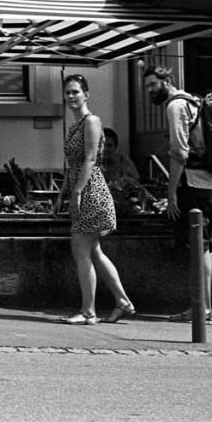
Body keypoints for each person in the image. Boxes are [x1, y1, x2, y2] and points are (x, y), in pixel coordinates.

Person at [142, 65, 212, 325]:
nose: (149, 91)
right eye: (147, 87)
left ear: (167, 80)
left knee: (198, 247)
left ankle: (201, 311)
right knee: (210, 247)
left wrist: (171, 194)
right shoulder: (195, 102)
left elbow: (179, 152)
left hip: (193, 184)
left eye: (152, 85)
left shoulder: (176, 106)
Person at [54, 75, 135, 325]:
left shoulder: (92, 121)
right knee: (94, 251)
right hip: (82, 188)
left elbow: (90, 160)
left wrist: (77, 192)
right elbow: (74, 165)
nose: (70, 97)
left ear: (86, 94)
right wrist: (62, 194)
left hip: (91, 191)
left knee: (80, 250)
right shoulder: (74, 126)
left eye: (75, 92)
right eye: (67, 92)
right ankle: (123, 302)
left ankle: (88, 311)